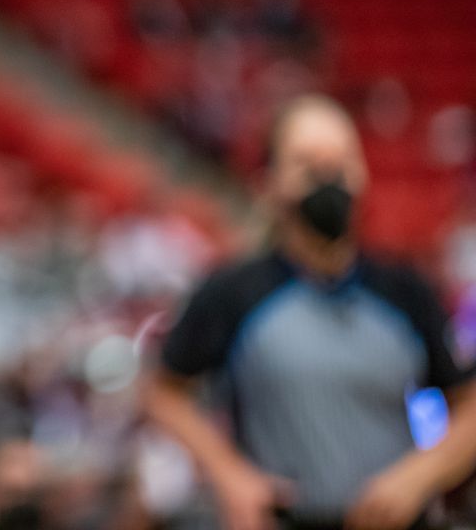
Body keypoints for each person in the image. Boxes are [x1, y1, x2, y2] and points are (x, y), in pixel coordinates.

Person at [143, 94, 476, 530]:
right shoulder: (234, 292)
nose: (328, 178)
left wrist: (419, 475)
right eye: (307, 164)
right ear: (271, 181)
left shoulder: (405, 291)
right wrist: (230, 475)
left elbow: (467, 406)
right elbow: (164, 392)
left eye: (341, 161)